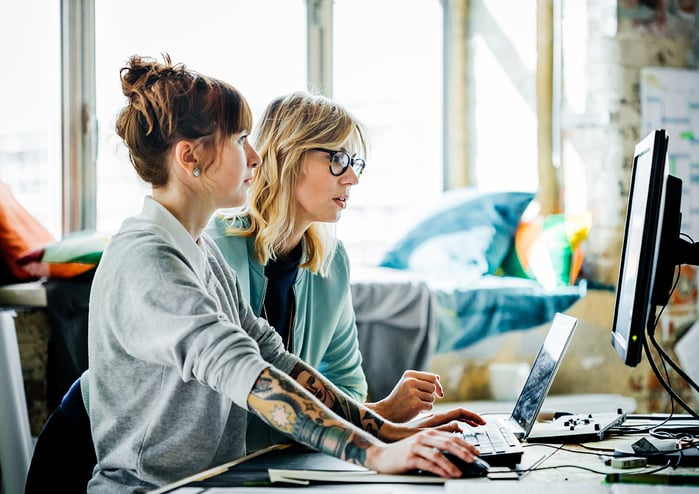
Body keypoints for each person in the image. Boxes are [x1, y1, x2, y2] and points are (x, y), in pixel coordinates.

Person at [86, 54, 483, 492]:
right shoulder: (148, 260)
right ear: (190, 157)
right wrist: (374, 453)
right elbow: (243, 369)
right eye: (240, 140)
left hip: (212, 483)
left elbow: (272, 358)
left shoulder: (199, 252)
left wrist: (386, 430)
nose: (257, 156)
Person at [208, 92, 442, 427]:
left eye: (354, 163)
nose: (352, 178)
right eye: (338, 160)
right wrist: (382, 415)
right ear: (288, 156)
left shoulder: (331, 263)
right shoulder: (216, 249)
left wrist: (379, 419)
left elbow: (348, 385)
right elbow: (229, 406)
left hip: (296, 459)